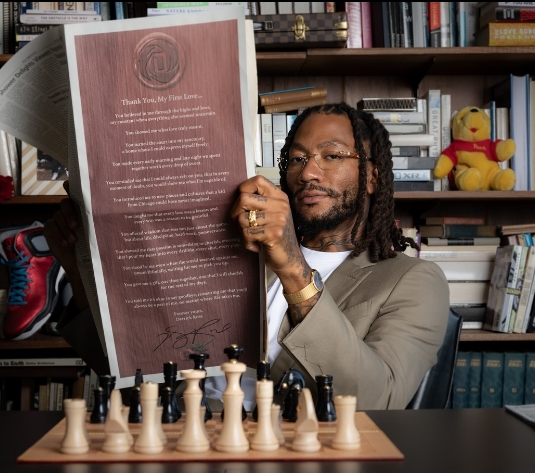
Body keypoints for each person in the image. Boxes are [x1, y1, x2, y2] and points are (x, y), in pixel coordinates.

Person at [45, 102, 450, 410]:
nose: (308, 172)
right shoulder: (237, 257)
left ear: (373, 177)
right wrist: (78, 270)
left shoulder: (412, 280)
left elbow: (377, 399)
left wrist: (293, 267)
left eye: (332, 156)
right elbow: (133, 372)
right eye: (296, 159)